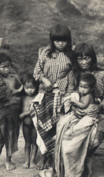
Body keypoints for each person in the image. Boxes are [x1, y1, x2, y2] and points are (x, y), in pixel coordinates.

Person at [55, 43, 104, 177]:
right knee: (66, 134)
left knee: (95, 136)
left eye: (86, 58)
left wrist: (98, 107)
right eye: (80, 59)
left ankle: (86, 160)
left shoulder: (101, 74)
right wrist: (75, 108)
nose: (83, 62)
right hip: (76, 113)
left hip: (98, 114)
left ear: (92, 58)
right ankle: (72, 169)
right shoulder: (73, 75)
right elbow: (68, 95)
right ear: (75, 60)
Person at [32, 24, 74, 170]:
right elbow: (36, 72)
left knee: (59, 126)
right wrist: (44, 79)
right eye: (57, 41)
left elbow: (72, 79)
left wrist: (67, 97)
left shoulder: (71, 56)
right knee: (41, 125)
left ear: (68, 40)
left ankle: (55, 158)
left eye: (63, 40)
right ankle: (44, 156)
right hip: (44, 95)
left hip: (61, 95)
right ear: (52, 41)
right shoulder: (46, 53)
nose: (60, 43)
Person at [0, 53, 23, 170]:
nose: (6, 69)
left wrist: (19, 89)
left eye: (8, 66)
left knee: (11, 136)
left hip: (12, 112)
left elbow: (22, 90)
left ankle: (8, 161)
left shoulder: (13, 78)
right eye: (3, 67)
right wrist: (15, 91)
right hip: (0, 113)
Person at [19, 74, 39, 169]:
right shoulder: (22, 98)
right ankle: (26, 160)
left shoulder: (38, 97)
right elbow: (19, 113)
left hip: (35, 124)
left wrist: (25, 114)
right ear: (23, 87)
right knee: (27, 143)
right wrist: (25, 113)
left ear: (36, 87)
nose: (30, 90)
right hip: (26, 125)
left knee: (34, 142)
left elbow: (37, 110)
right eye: (27, 88)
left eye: (32, 87)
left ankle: (32, 160)